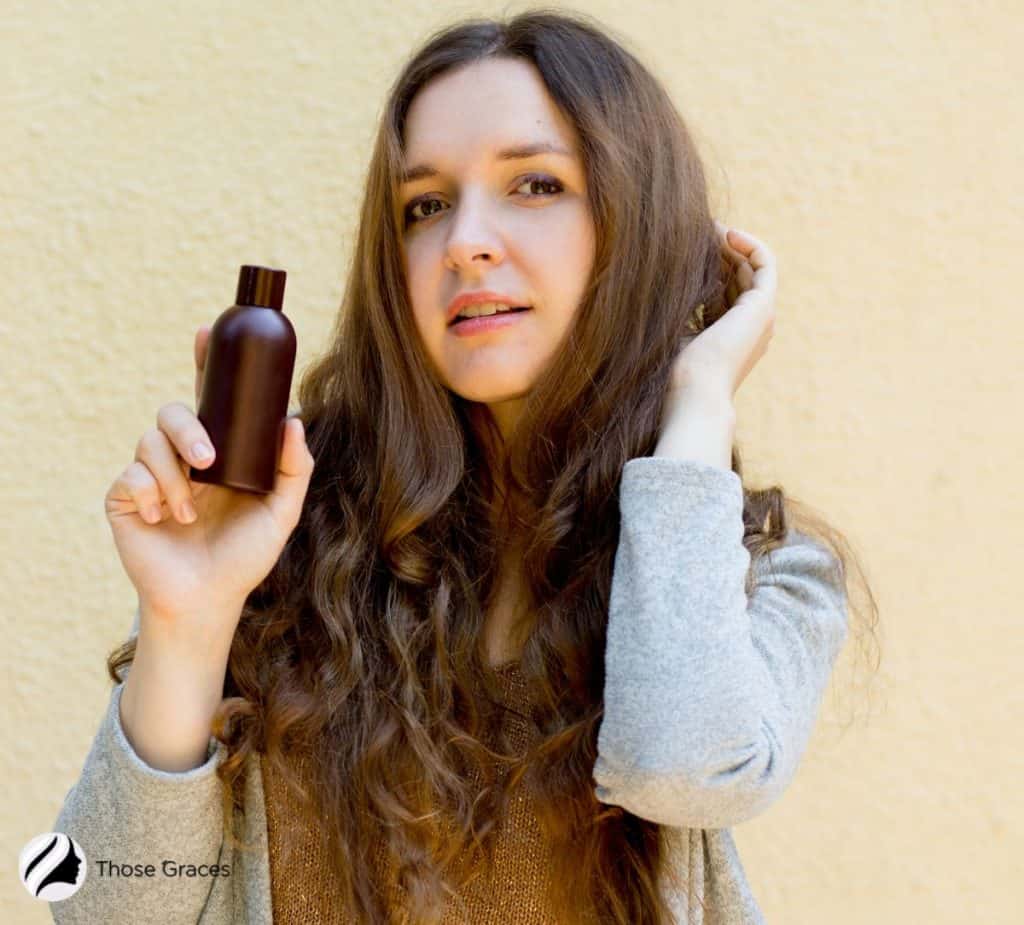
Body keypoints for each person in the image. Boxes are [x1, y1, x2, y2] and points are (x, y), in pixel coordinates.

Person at [52, 9, 877, 924]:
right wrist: (189, 614)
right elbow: (98, 907)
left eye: (534, 183)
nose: (464, 242)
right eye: (427, 205)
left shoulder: (766, 574)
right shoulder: (289, 530)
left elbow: (676, 764)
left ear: (635, 224)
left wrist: (697, 397)